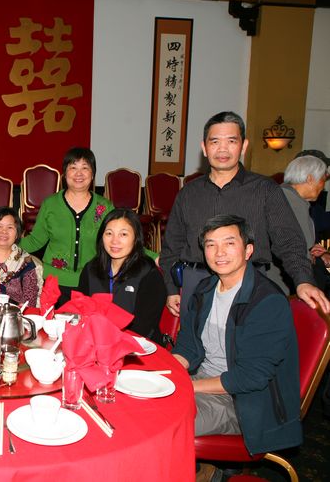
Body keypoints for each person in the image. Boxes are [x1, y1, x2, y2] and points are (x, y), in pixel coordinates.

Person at [159, 111, 329, 318]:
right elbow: (172, 247)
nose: (223, 149)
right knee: (192, 339)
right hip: (196, 283)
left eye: (231, 141)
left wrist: (303, 280)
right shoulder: (188, 193)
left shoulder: (265, 189)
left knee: (248, 338)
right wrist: (171, 289)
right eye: (215, 141)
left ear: (243, 146)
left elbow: (288, 240)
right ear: (204, 147)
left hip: (250, 284)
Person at [172, 215, 301, 480]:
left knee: (165, 422)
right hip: (204, 381)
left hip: (242, 402)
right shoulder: (206, 289)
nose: (219, 252)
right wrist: (168, 374)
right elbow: (187, 344)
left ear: (248, 250)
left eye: (229, 243)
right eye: (211, 244)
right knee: (143, 402)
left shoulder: (266, 302)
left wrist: (188, 386)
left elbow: (250, 377)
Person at [20, 148, 113, 294]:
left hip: (92, 282)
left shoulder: (104, 207)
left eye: (85, 168)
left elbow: (120, 240)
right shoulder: (50, 204)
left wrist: (150, 256)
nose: (79, 173)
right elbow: (35, 241)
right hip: (53, 284)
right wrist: (3, 246)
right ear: (64, 173)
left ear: (93, 174)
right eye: (73, 168)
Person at [74, 208, 165, 343]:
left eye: (123, 234)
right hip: (93, 342)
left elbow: (143, 328)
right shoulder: (91, 269)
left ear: (136, 238)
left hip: (137, 346)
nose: (114, 241)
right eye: (109, 233)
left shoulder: (150, 275)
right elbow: (81, 312)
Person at [281, 155, 330, 292]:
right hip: (288, 283)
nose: (323, 187)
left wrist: (313, 250)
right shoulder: (290, 201)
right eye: (322, 180)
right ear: (310, 179)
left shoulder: (288, 197)